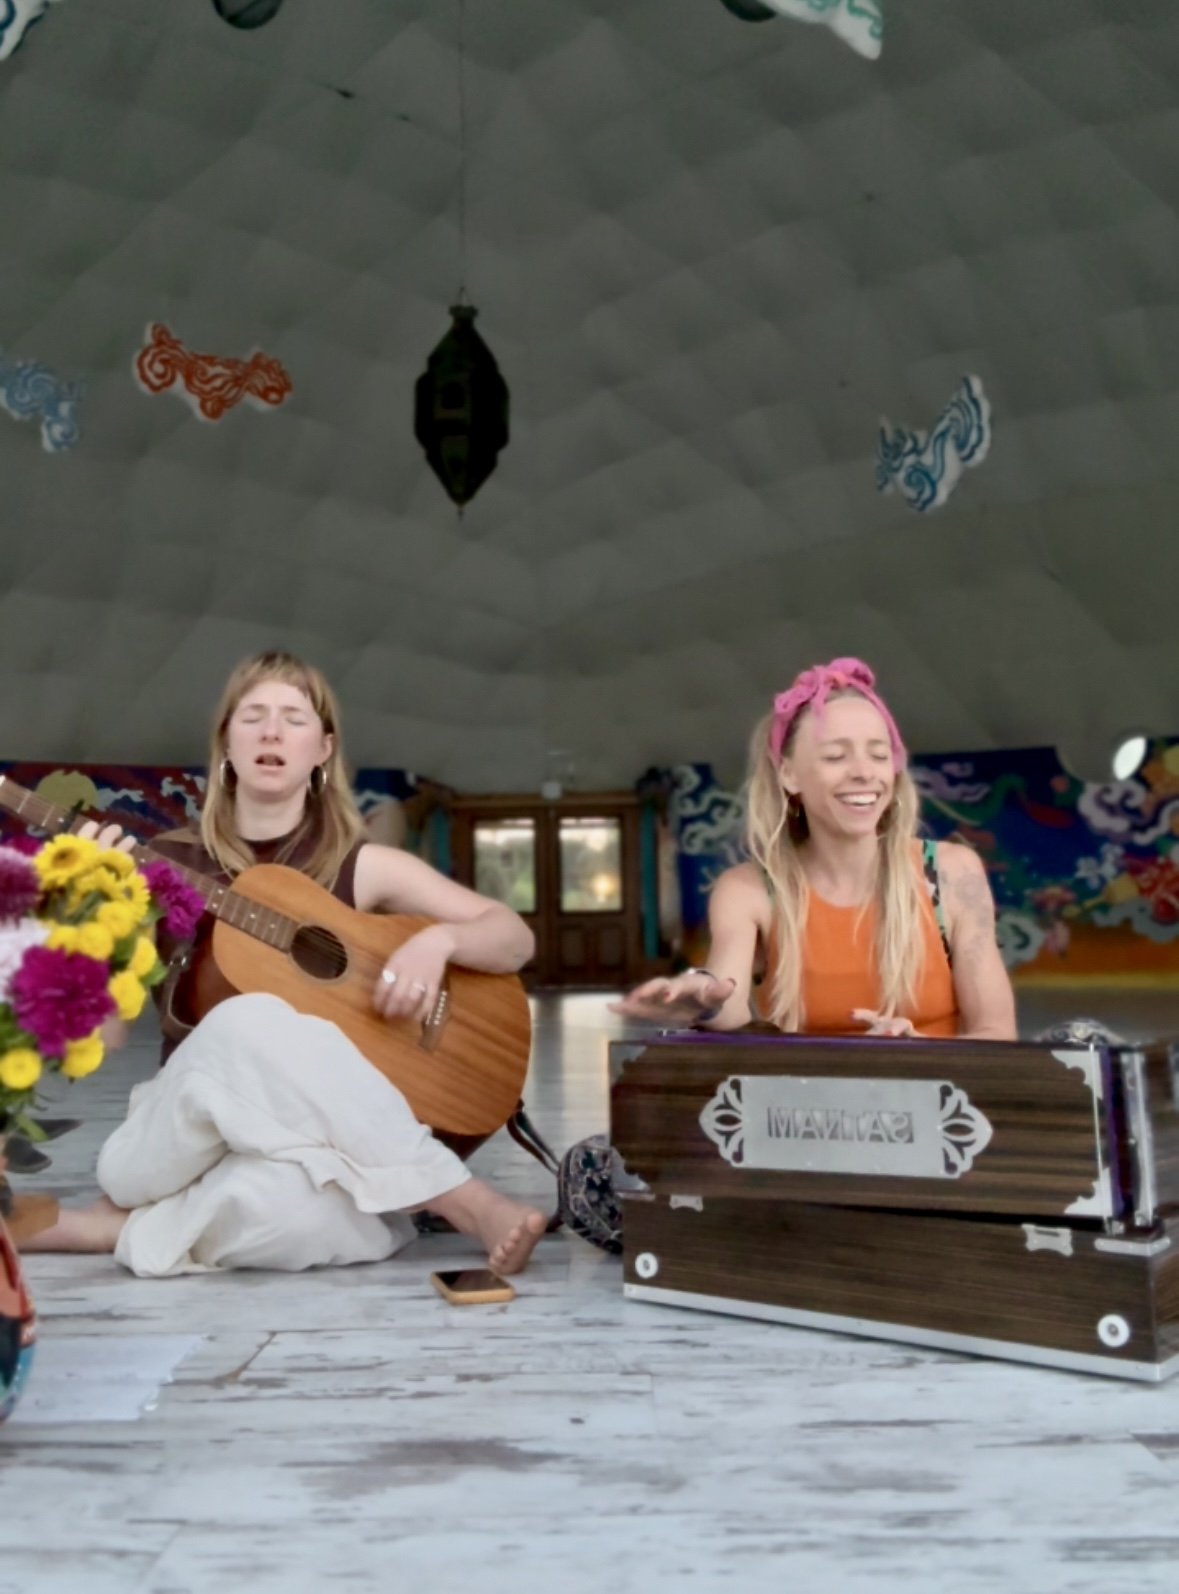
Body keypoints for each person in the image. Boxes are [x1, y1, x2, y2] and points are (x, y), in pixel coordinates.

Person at [27, 651, 547, 1277]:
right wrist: (92, 914)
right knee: (250, 1019)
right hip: (169, 1146)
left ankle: (106, 1228)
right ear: (227, 742)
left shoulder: (362, 867)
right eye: (253, 717)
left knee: (301, 1213)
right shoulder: (162, 865)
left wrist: (440, 943)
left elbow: (513, 938)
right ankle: (463, 1200)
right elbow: (104, 1039)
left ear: (323, 749)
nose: (271, 732)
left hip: (311, 1146)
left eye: (293, 719)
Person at [613, 656, 1017, 1039]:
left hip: (937, 1090)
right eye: (836, 756)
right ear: (789, 774)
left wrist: (918, 1052)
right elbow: (727, 1002)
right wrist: (700, 1000)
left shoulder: (952, 873)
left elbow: (997, 1032)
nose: (864, 773)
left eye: (879, 755)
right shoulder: (747, 890)